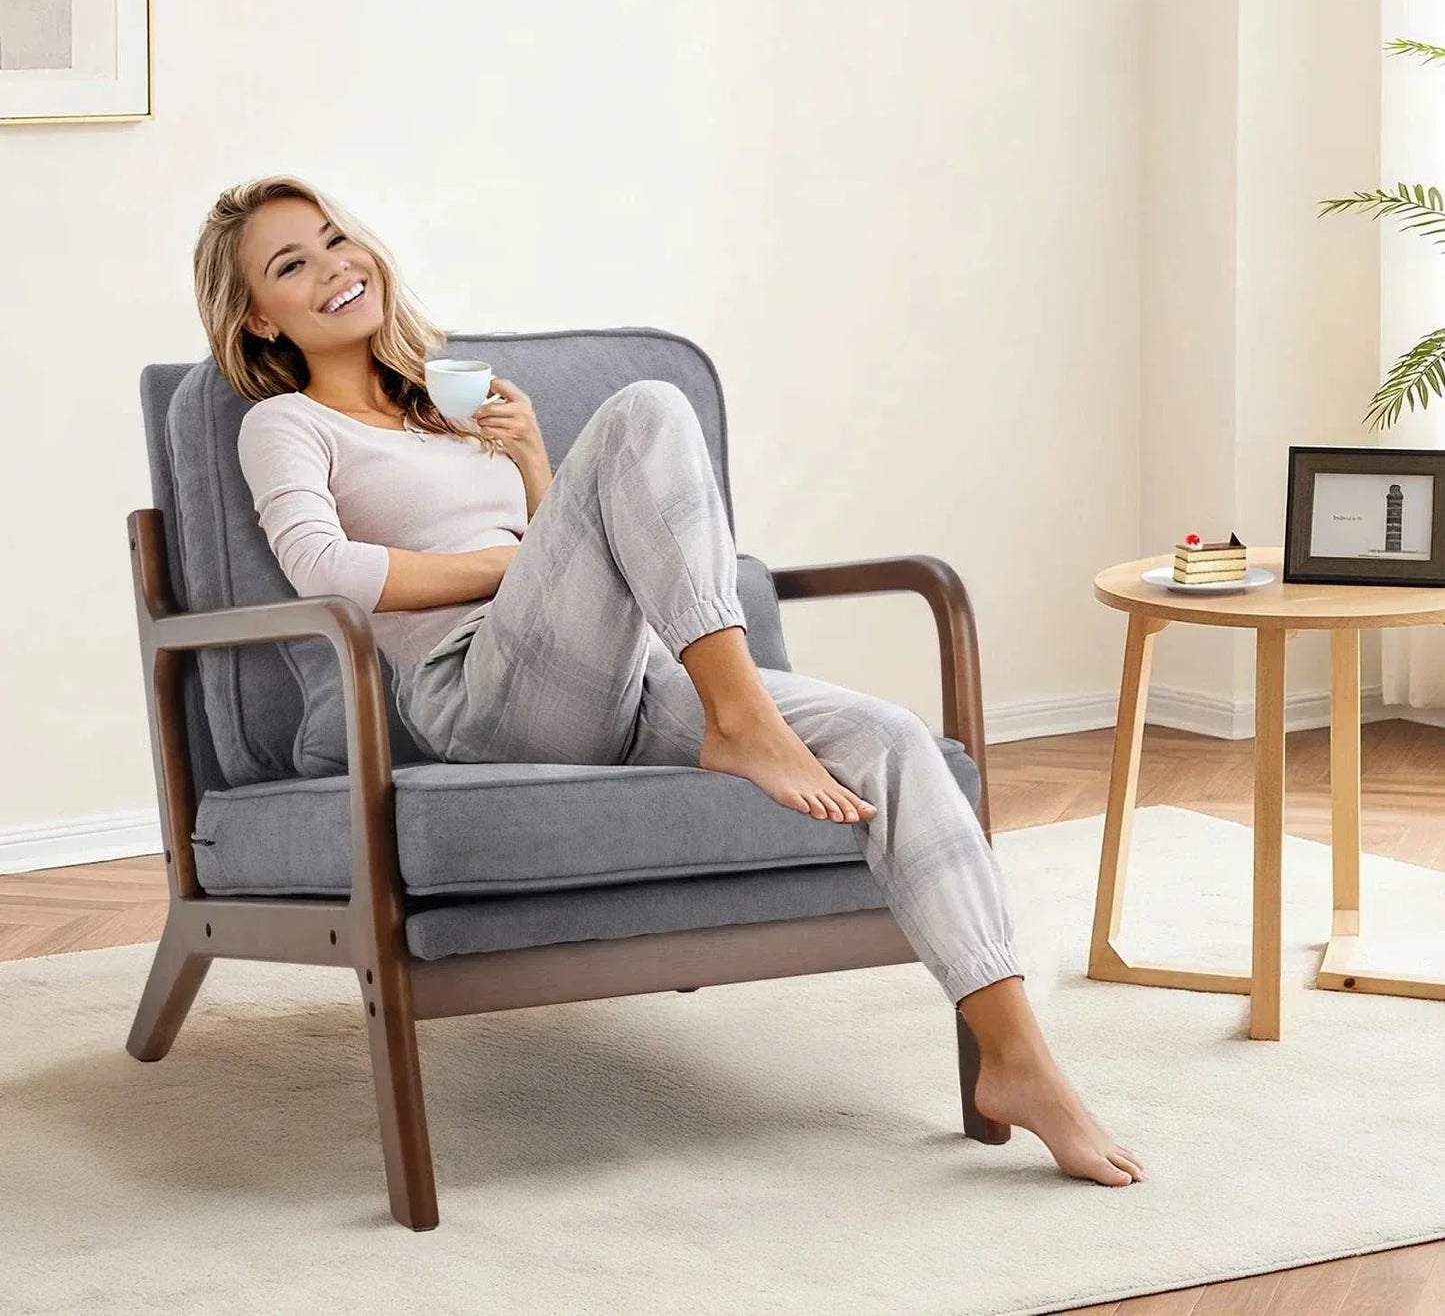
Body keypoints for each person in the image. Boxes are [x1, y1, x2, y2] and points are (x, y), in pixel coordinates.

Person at [193, 174, 1144, 1188]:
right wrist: (519, 558)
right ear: (260, 313)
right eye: (292, 263)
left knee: (890, 737)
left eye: (337, 238)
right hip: (474, 688)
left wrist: (529, 468)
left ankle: (1018, 1060)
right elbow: (329, 573)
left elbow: (583, 559)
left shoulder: (444, 399)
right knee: (648, 406)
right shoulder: (287, 424)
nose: (335, 265)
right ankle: (742, 713)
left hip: (612, 673)